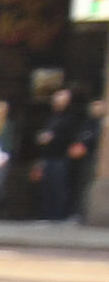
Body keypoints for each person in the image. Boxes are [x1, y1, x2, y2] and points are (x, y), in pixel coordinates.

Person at [29, 87, 93, 223]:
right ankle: (48, 215)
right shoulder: (53, 117)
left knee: (60, 187)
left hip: (62, 157)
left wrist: (53, 138)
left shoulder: (73, 117)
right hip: (49, 156)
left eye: (61, 97)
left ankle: (60, 215)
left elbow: (71, 136)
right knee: (48, 187)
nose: (57, 100)